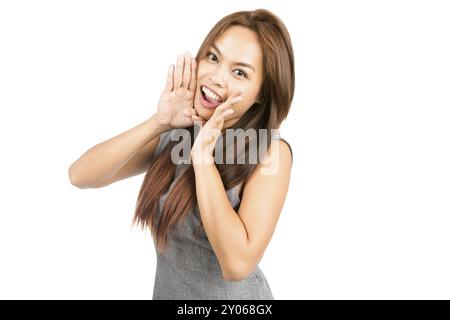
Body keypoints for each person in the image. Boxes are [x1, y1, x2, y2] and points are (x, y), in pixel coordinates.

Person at [69, 8, 294, 300]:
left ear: (262, 92)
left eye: (239, 72)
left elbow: (237, 264)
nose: (216, 77)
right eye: (213, 57)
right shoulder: (178, 133)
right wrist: (158, 122)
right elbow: (81, 175)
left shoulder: (270, 151)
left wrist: (203, 160)